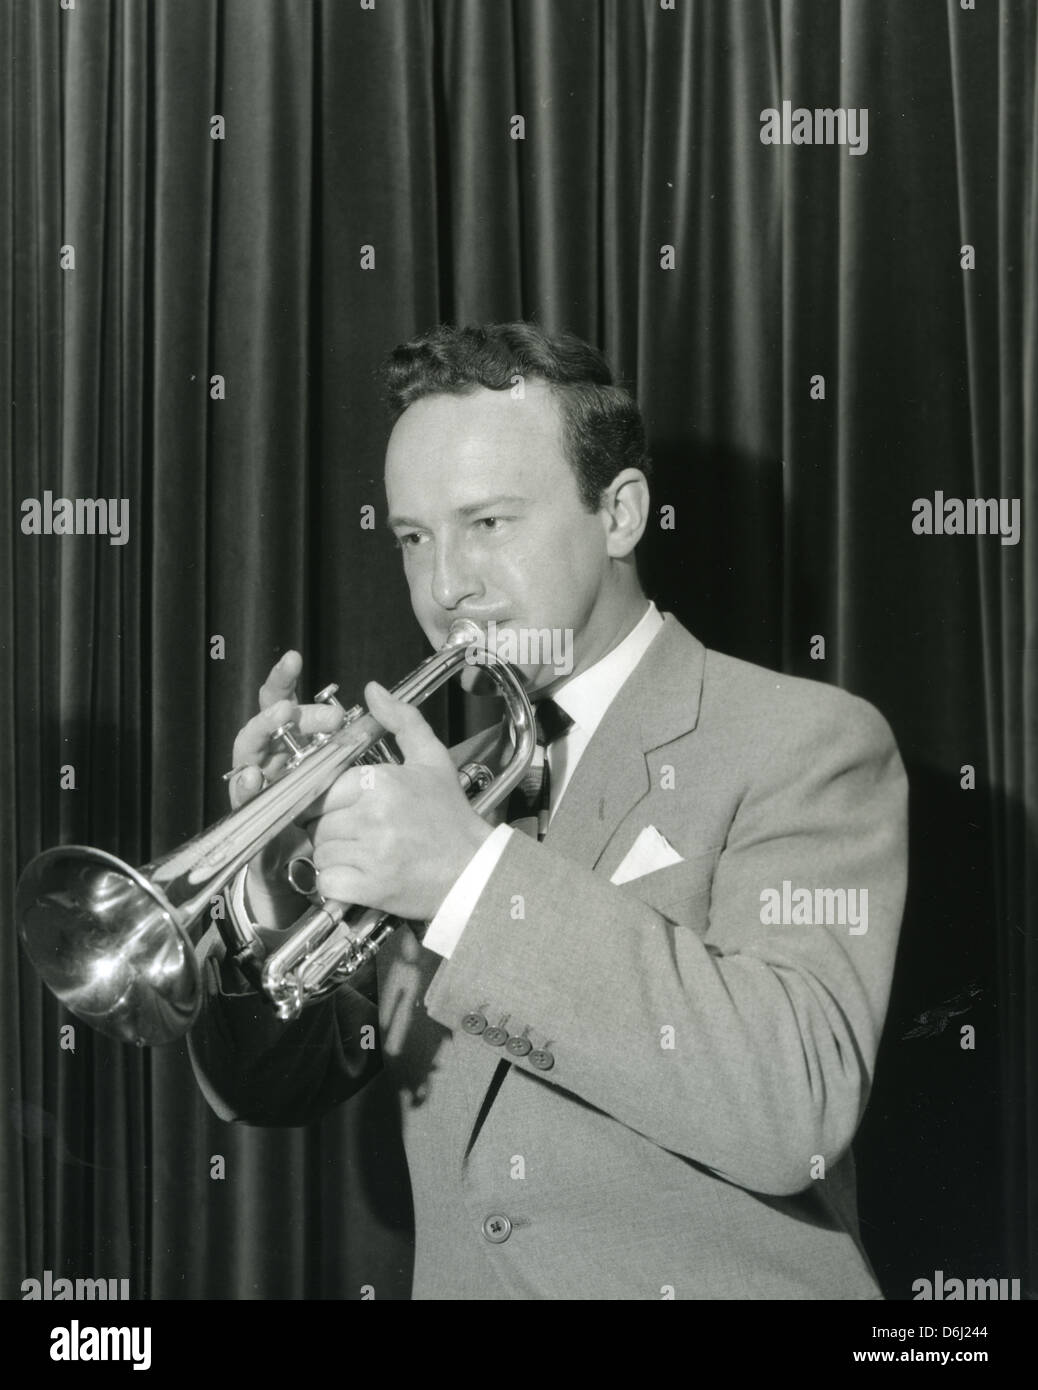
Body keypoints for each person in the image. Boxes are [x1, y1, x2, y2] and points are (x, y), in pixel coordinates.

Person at [189, 322, 909, 1301]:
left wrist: (467, 881)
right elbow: (269, 1091)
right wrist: (266, 888)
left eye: (487, 524)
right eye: (413, 537)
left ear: (618, 514)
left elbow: (796, 1108)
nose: (446, 587)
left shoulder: (807, 740)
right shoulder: (445, 782)